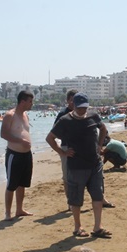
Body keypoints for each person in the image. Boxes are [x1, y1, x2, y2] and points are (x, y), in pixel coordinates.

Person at [46, 93, 111, 238]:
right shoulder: (65, 120)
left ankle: (97, 227)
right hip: (76, 165)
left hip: (95, 163)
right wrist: (62, 152)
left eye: (85, 108)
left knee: (97, 194)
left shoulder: (93, 116)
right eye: (80, 108)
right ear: (73, 106)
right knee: (76, 198)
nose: (83, 110)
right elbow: (50, 138)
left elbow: (103, 129)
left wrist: (100, 145)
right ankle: (77, 227)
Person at [0, 90, 34, 220]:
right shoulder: (10, 115)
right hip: (14, 154)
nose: (32, 104)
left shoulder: (25, 115)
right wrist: (20, 141)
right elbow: (4, 134)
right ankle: (8, 213)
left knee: (23, 183)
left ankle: (19, 209)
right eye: (30, 101)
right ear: (22, 101)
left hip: (27, 154)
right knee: (12, 184)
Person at [52, 89, 78, 211]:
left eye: (75, 100)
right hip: (66, 147)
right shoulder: (62, 114)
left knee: (82, 175)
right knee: (67, 176)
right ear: (67, 101)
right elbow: (54, 133)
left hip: (81, 148)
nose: (73, 103)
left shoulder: (82, 112)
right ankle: (70, 202)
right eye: (71, 100)